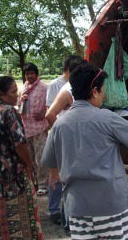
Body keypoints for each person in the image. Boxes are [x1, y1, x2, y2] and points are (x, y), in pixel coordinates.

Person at [41, 63, 128, 240]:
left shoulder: (59, 125)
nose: (104, 94)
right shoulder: (106, 118)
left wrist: (54, 175)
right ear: (94, 91)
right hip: (111, 205)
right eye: (103, 90)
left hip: (78, 208)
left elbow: (51, 159)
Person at [0, 76, 44, 239]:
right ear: (1, 94)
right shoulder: (8, 111)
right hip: (13, 178)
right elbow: (19, 144)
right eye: (14, 92)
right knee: (25, 227)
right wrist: (29, 165)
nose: (17, 95)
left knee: (2, 227)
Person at [45, 55, 82, 225]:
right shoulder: (58, 86)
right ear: (69, 70)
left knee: (68, 176)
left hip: (73, 138)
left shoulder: (77, 85)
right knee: (56, 174)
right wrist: (60, 131)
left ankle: (67, 213)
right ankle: (54, 210)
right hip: (60, 138)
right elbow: (50, 113)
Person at [19, 63, 49, 195]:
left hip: (40, 127)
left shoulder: (44, 88)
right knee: (29, 157)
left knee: (41, 156)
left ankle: (43, 184)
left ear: (37, 74)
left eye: (32, 73)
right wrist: (21, 100)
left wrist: (44, 113)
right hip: (26, 127)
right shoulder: (23, 88)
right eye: (27, 73)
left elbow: (50, 104)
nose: (30, 76)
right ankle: (34, 183)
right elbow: (18, 105)